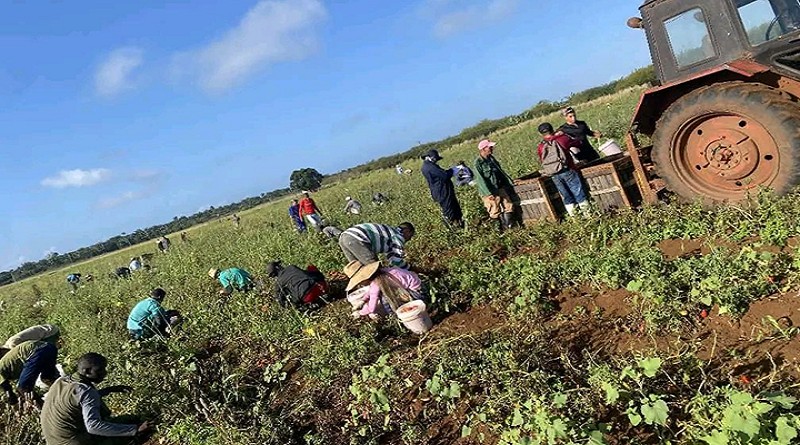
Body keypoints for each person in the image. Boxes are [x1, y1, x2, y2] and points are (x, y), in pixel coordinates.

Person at [40, 352, 151, 445]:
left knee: (128, 420)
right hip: (76, 441)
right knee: (134, 427)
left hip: (55, 441)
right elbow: (93, 426)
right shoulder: (86, 391)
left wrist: (110, 390)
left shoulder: (62, 381)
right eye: (100, 370)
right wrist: (134, 430)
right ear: (87, 372)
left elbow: (79, 400)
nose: (105, 373)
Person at [537, 122, 591, 217]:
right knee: (578, 193)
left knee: (566, 196)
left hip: (554, 174)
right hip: (568, 170)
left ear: (541, 134)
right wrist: (564, 135)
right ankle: (588, 216)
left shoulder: (541, 146)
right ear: (552, 129)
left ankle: (575, 218)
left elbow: (542, 159)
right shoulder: (561, 139)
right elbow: (578, 142)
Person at [344, 261, 423, 319]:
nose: (359, 284)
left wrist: (360, 313)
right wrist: (363, 300)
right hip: (420, 286)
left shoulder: (376, 283)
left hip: (417, 294)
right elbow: (371, 291)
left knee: (385, 299)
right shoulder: (383, 272)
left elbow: (372, 307)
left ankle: (395, 318)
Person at [0, 338, 60, 406]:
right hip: (49, 347)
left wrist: (13, 402)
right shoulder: (7, 366)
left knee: (23, 388)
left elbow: (9, 392)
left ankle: (46, 411)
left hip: (36, 351)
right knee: (47, 378)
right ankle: (67, 393)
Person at [474, 139, 516, 231]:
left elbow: (500, 172)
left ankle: (510, 228)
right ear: (483, 149)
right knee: (494, 211)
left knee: (508, 206)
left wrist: (508, 182)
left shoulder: (491, 159)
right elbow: (480, 180)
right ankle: (498, 232)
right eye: (490, 147)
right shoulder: (478, 163)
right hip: (490, 191)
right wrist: (488, 193)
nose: (492, 148)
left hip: (499, 187)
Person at [339, 222, 415, 269]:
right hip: (357, 237)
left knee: (358, 270)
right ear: (406, 231)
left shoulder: (389, 234)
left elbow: (392, 259)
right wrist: (412, 269)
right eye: (410, 236)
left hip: (344, 237)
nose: (410, 239)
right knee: (375, 270)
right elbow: (397, 262)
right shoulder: (398, 236)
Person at [421, 149, 464, 229]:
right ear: (431, 157)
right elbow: (444, 175)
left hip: (442, 191)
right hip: (442, 192)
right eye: (435, 158)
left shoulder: (427, 166)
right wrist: (455, 169)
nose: (436, 160)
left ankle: (459, 226)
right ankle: (453, 230)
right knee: (449, 212)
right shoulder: (430, 167)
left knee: (455, 210)